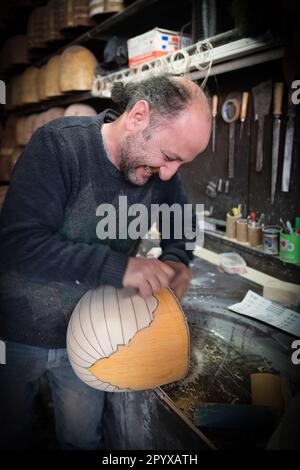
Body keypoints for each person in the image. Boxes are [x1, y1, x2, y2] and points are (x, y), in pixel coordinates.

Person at [0, 75, 211, 449]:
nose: (169, 173)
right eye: (169, 156)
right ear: (139, 116)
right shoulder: (59, 146)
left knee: (82, 440)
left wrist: (178, 260)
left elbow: (181, 223)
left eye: (181, 163)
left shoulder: (161, 174)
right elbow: (19, 243)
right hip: (16, 330)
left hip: (92, 335)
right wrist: (120, 267)